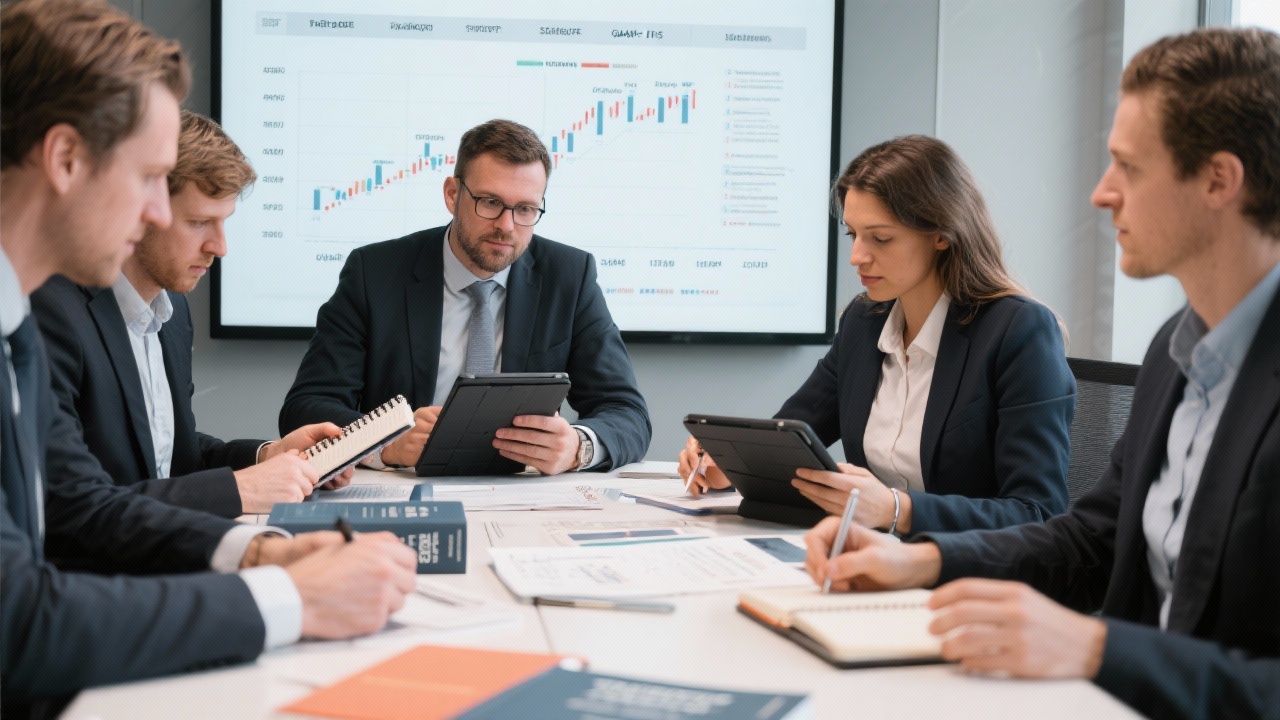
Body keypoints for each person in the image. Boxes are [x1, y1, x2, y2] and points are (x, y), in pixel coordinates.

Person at [803, 27, 1280, 719]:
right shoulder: (1176, 352)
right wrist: (919, 559)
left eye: (1128, 167)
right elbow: (1090, 538)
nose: (1100, 193)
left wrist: (1094, 649)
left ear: (1218, 180)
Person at [0, 0, 415, 712]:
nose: (157, 217)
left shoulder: (17, 329)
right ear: (66, 158)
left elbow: (69, 507)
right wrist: (287, 597)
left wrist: (260, 550)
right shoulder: (39, 319)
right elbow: (21, 621)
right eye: (148, 179)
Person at [680, 135, 1074, 534]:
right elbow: (790, 438)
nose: (857, 257)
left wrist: (896, 509)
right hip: (867, 560)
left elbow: (1038, 513)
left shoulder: (1018, 332)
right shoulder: (863, 322)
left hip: (964, 575)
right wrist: (727, 464)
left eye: (880, 238)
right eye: (853, 235)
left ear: (941, 233)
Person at [279, 118, 651, 475]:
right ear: (452, 194)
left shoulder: (569, 276)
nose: (506, 226)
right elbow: (307, 407)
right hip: (405, 489)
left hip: (522, 497)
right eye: (489, 202)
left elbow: (626, 412)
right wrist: (385, 444)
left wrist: (578, 447)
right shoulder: (374, 273)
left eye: (525, 209)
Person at [30, 110, 353, 518]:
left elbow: (170, 458)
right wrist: (237, 491)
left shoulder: (173, 312)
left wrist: (269, 455)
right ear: (144, 210)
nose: (219, 247)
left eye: (223, 223)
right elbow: (71, 507)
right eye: (200, 222)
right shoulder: (54, 312)